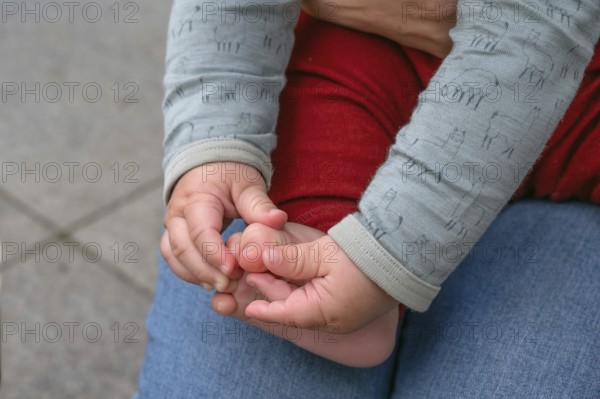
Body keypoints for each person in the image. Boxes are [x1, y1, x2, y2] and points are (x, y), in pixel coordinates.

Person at [135, 0, 600, 396]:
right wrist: (217, 144)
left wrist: (389, 254)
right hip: (375, 49)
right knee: (315, 117)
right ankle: (314, 252)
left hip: (580, 80)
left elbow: (532, 38)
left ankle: (351, 279)